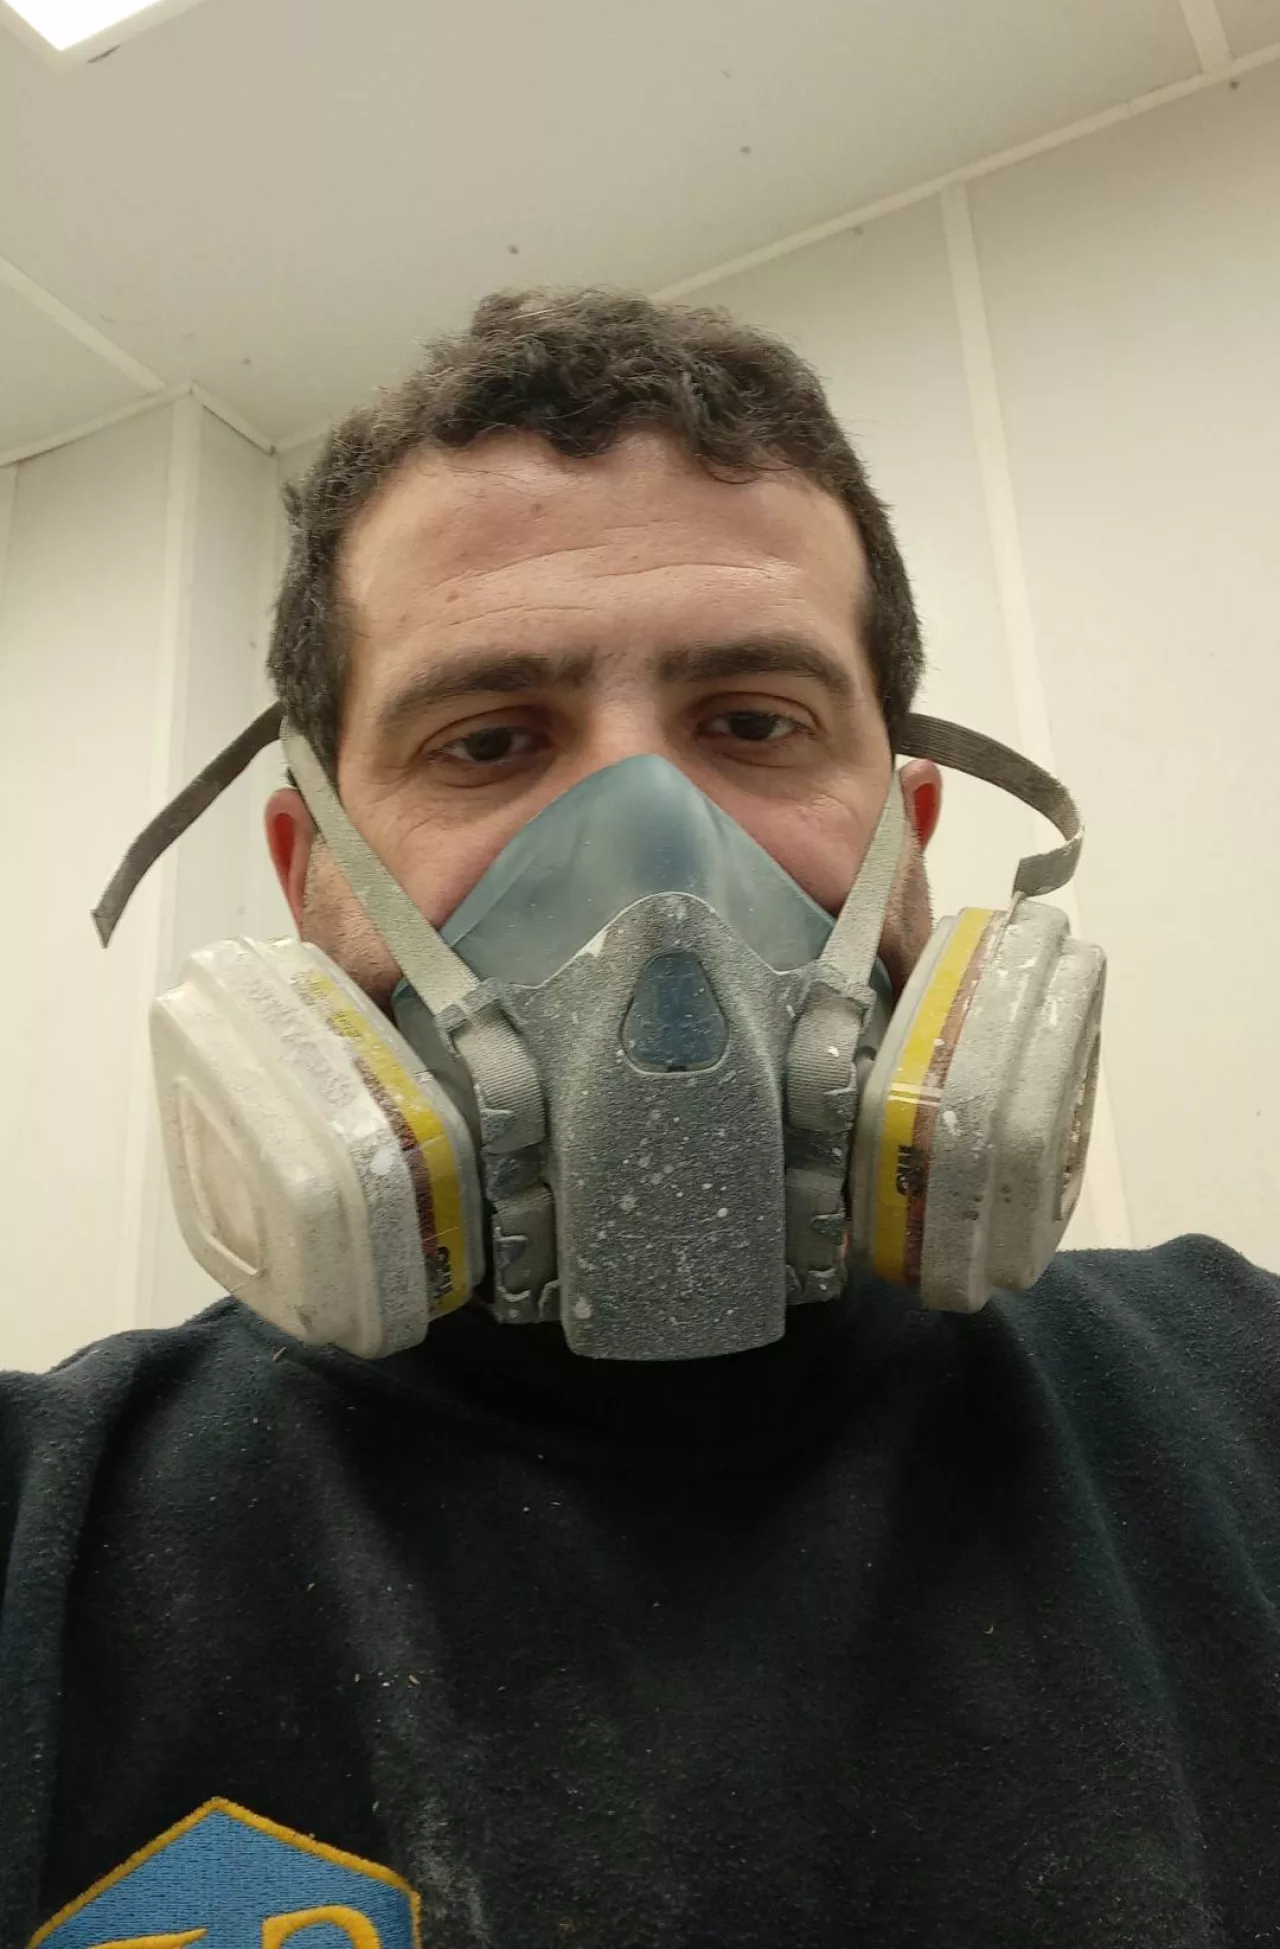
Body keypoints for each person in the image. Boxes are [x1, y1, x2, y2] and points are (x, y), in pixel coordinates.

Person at [3, 289, 1277, 1949]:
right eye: (488, 740)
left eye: (754, 724)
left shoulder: (1246, 1400)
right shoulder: (42, 1539)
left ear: (909, 835)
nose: (650, 854)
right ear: (312, 873)